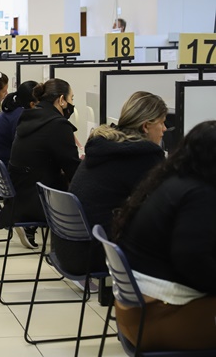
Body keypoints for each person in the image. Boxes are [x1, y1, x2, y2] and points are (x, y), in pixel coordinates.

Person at [111, 120, 216, 352]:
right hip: (158, 320)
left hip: (133, 314)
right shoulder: (201, 194)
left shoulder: (172, 183)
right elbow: (191, 259)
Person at [56, 92, 167, 275]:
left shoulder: (104, 145)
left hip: (70, 248)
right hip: (97, 254)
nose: (164, 129)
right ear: (146, 126)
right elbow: (160, 207)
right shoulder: (143, 156)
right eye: (162, 123)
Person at [0, 78, 81, 248]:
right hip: (38, 199)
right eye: (71, 99)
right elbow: (73, 169)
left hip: (19, 194)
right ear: (61, 100)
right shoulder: (57, 124)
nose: (72, 104)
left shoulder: (28, 116)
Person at [0, 80, 38, 187]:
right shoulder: (19, 117)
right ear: (32, 104)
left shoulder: (14, 111)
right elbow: (23, 152)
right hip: (0, 175)